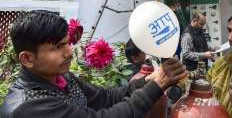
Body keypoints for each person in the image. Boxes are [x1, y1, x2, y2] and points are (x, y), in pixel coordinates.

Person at [0, 10, 187, 118]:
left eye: (67, 43)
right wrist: (156, 87)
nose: (69, 51)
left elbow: (104, 97)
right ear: (27, 58)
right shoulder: (29, 106)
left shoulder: (60, 77)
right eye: (57, 47)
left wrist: (148, 80)